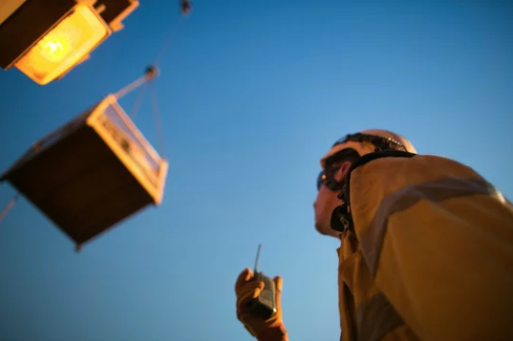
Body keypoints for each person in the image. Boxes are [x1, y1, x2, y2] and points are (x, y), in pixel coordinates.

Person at [234, 129, 513, 341]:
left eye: (320, 181)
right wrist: (273, 337)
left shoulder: (381, 176)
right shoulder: (359, 253)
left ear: (342, 170)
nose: (314, 197)